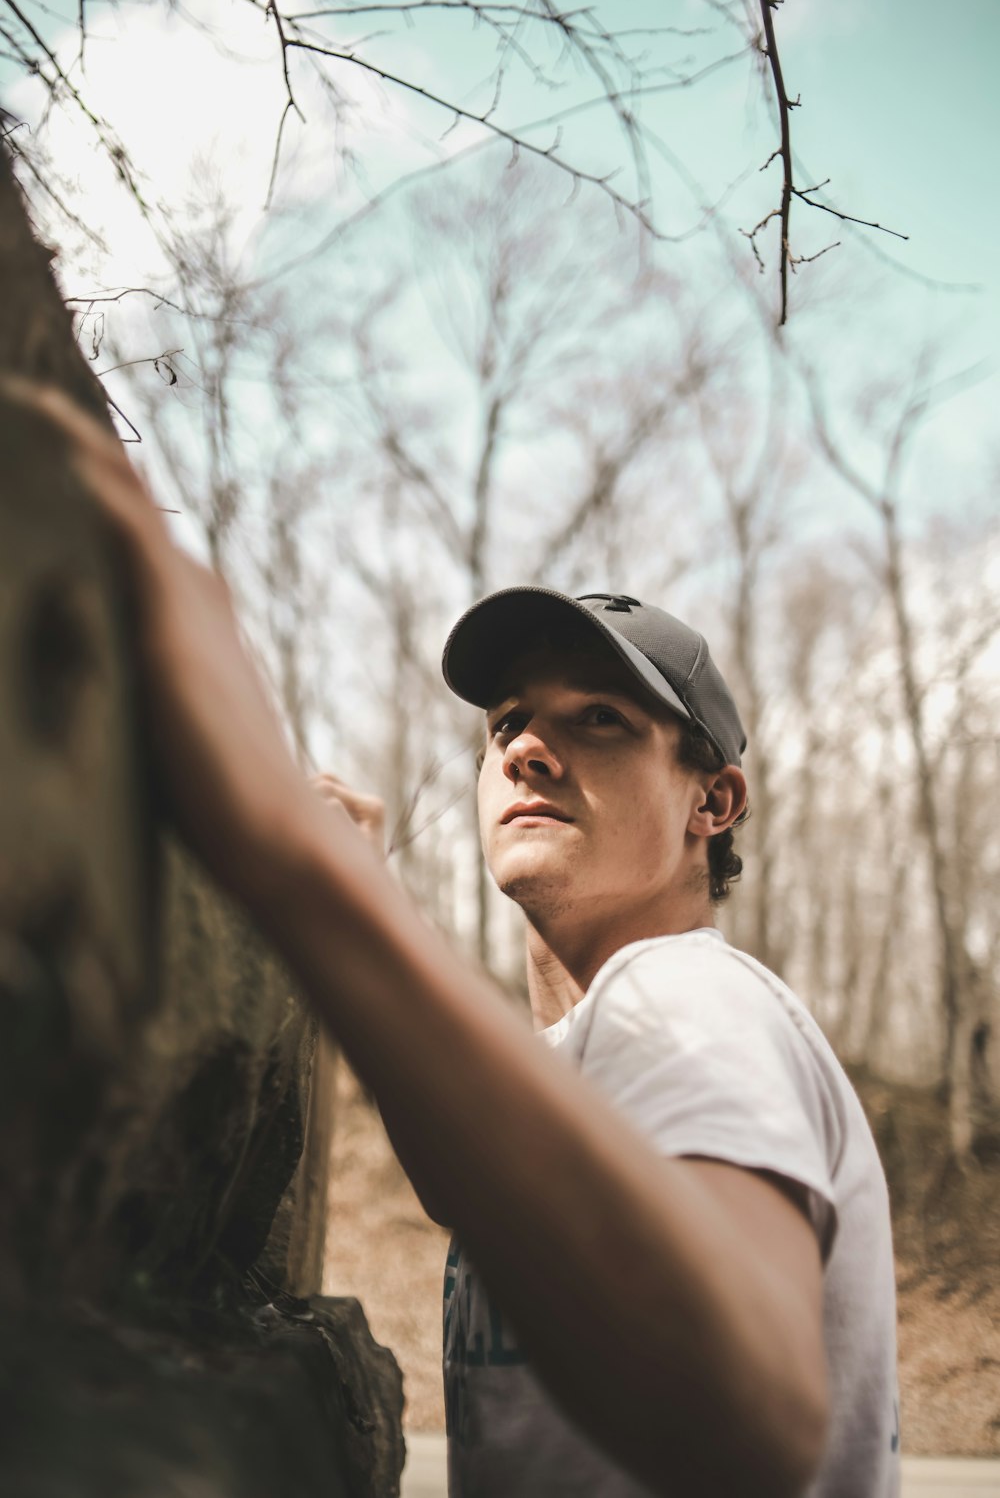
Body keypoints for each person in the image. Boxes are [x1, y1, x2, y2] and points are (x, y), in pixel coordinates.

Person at [15, 385, 899, 1498]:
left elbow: (758, 1422)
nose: (528, 747)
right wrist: (370, 898)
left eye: (600, 721)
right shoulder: (591, 1051)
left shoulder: (682, 997)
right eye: (507, 724)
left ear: (709, 804)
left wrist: (286, 857)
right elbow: (464, 1183)